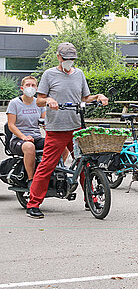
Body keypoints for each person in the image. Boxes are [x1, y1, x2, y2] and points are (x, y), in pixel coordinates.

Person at [26, 42, 109, 219]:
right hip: (56, 128)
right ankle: (32, 204)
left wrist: (98, 96)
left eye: (72, 59)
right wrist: (49, 100)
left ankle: (90, 199)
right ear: (59, 57)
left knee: (85, 163)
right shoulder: (49, 74)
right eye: (66, 58)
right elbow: (39, 100)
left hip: (76, 127)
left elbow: (86, 97)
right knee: (47, 165)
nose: (69, 62)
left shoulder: (79, 74)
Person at [6, 76, 46, 186]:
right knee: (29, 147)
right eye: (27, 85)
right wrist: (24, 137)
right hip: (18, 140)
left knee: (59, 145)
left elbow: (44, 123)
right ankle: (31, 180)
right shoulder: (14, 103)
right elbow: (11, 125)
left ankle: (53, 173)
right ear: (22, 88)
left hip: (36, 137)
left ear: (37, 88)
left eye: (33, 85)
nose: (30, 87)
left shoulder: (39, 103)